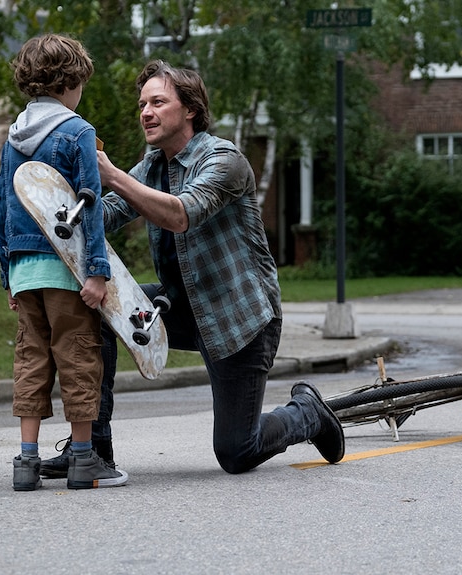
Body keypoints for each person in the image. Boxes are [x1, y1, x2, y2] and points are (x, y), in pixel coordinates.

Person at [97, 59, 344, 474]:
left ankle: (307, 412)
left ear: (189, 109)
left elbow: (181, 214)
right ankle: (94, 449)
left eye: (158, 101)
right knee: (99, 307)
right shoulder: (153, 165)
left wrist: (114, 175)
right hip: (180, 309)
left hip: (240, 322)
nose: (145, 112)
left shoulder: (224, 160)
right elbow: (108, 213)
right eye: (142, 103)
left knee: (236, 451)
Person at [0, 33, 127, 490]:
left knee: (31, 360)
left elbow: (1, 207)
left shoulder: (14, 137)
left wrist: (7, 275)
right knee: (78, 358)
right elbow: (89, 205)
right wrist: (97, 271)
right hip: (66, 271)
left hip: (24, 271)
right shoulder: (78, 131)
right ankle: (84, 459)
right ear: (70, 82)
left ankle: (26, 462)